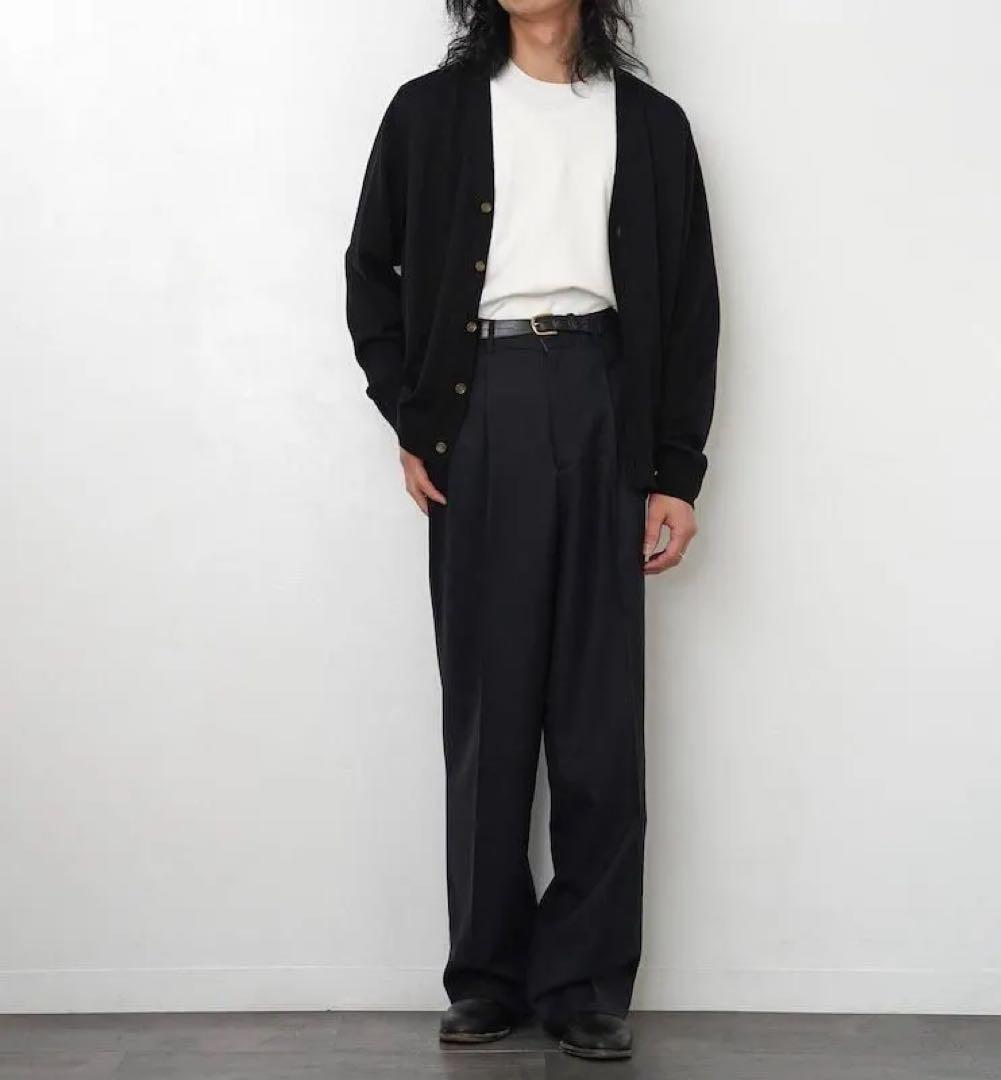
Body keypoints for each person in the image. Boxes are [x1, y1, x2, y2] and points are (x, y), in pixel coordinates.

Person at [345, 0, 719, 1062]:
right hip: (484, 401)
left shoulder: (652, 127)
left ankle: (587, 983)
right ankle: (486, 975)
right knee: (489, 703)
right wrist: (415, 417)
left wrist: (676, 470)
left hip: (605, 398)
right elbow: (371, 272)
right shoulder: (429, 113)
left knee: (599, 708)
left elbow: (690, 307)